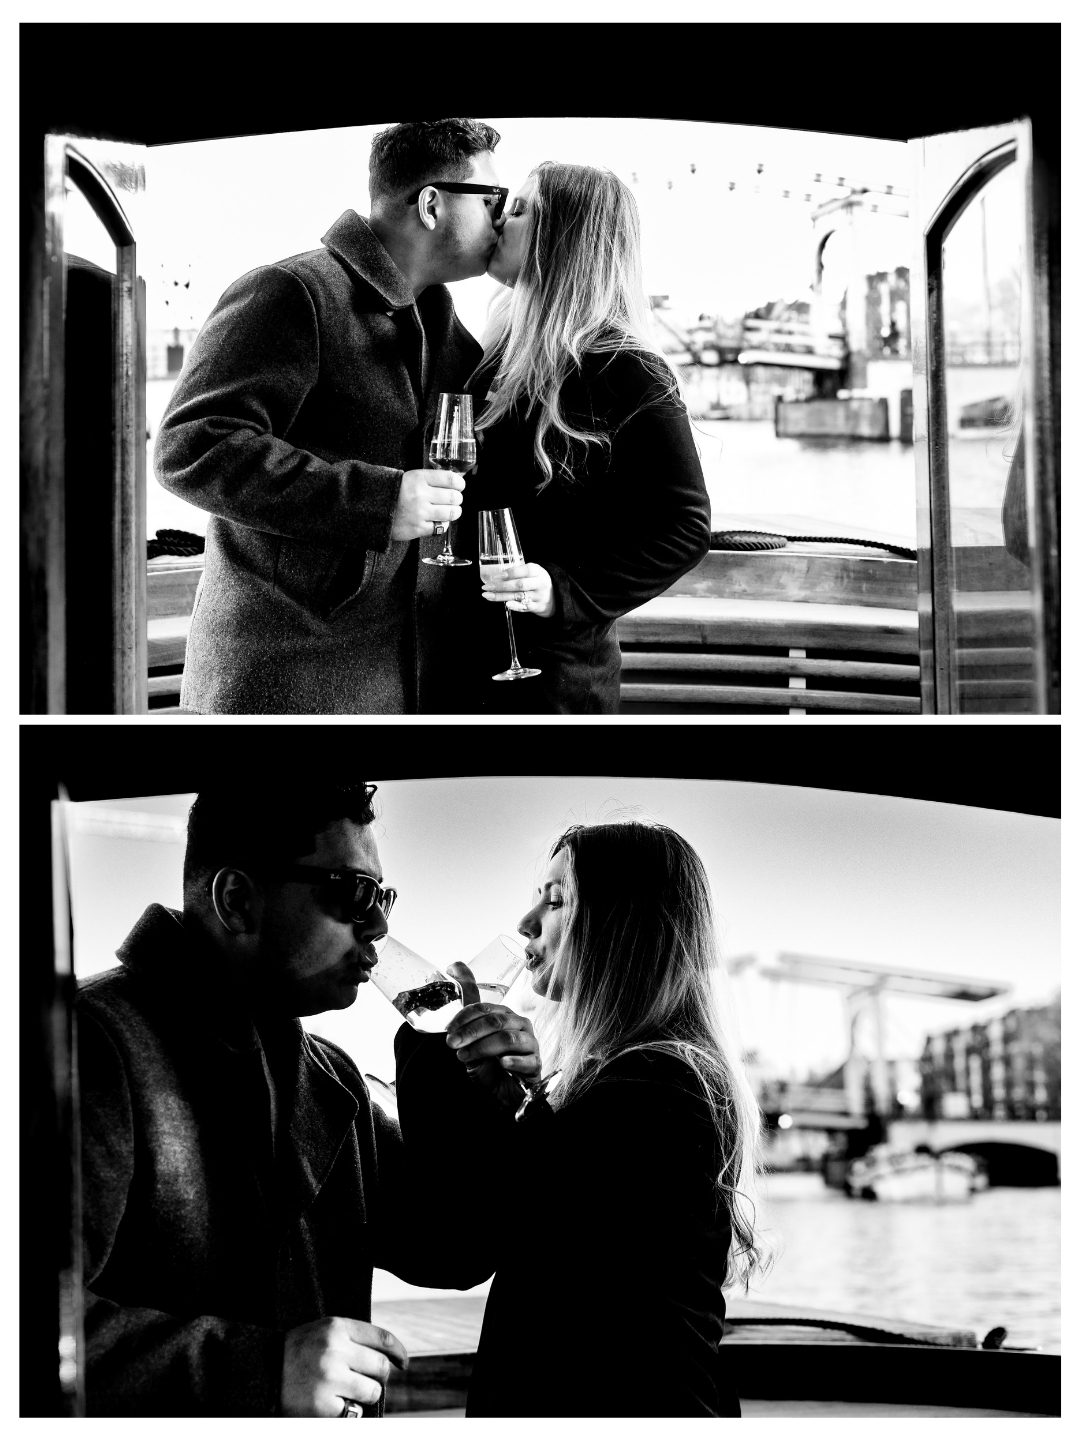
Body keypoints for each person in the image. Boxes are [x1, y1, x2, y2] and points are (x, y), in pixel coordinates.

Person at [75, 779, 540, 1416]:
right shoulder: (89, 1043)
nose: (379, 925)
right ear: (237, 900)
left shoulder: (332, 1080)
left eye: (383, 896)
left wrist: (477, 1098)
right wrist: (260, 1373)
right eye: (353, 892)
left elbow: (451, 1249)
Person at [154, 119, 508, 714]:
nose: (500, 216)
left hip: (397, 679)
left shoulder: (447, 333)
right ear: (431, 205)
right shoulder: (291, 291)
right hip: (282, 677)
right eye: (492, 198)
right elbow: (189, 447)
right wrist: (379, 502)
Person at [436, 819, 766, 1416]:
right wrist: (517, 1099)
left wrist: (435, 1039)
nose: (526, 922)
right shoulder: (648, 1077)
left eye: (556, 900)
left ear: (622, 926)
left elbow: (470, 1232)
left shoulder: (654, 1089)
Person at [443, 163, 712, 713]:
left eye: (520, 210)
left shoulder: (627, 369)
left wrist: (560, 591)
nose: (499, 218)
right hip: (463, 660)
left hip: (554, 678)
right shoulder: (498, 356)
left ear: (561, 239)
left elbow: (685, 528)